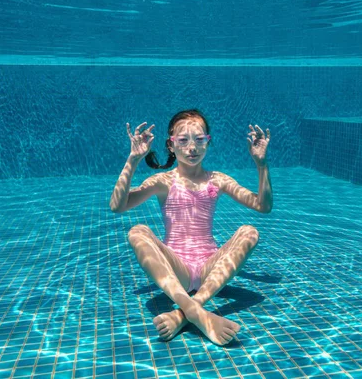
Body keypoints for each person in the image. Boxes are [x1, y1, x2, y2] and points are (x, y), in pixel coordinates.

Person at [110, 109, 272, 346]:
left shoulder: (219, 180)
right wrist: (133, 159)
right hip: (177, 270)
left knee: (250, 231)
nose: (192, 148)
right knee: (137, 231)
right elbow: (117, 205)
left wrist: (262, 164)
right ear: (171, 145)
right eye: (183, 141)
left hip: (210, 270)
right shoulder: (163, 181)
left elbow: (263, 206)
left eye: (199, 139)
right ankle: (195, 312)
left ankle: (183, 313)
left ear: (208, 141)